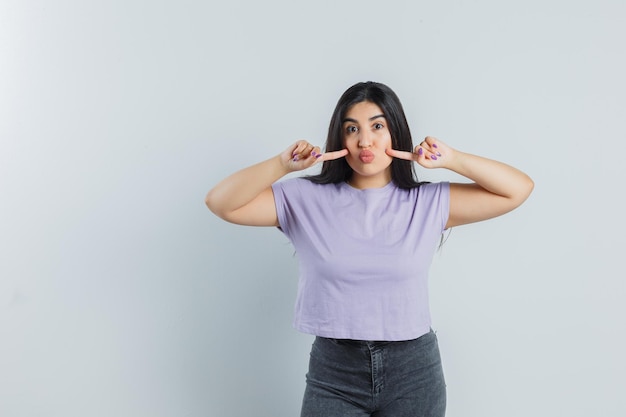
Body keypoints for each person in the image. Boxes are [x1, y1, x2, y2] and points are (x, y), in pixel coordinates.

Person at [205, 81, 534, 417]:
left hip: (414, 372)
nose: (365, 140)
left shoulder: (428, 202)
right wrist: (281, 164)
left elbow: (518, 189)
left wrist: (452, 159)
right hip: (334, 372)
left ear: (396, 133)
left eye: (377, 126)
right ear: (340, 137)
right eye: (352, 129)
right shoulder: (304, 199)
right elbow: (221, 203)